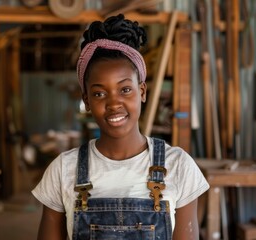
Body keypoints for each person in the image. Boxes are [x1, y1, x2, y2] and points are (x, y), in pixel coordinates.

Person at [32, 14, 209, 240]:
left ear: (142, 92)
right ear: (86, 101)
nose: (114, 103)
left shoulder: (179, 166)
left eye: (125, 89)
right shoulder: (64, 170)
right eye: (99, 93)